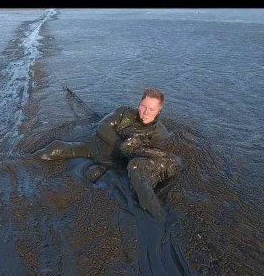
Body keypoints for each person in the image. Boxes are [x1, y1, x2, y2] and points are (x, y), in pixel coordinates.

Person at [32, 87, 181, 219]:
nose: (145, 112)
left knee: (95, 183)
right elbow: (102, 126)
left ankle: (157, 216)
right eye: (143, 106)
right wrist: (120, 144)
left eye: (151, 109)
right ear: (139, 104)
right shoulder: (124, 113)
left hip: (115, 162)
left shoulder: (160, 134)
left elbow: (152, 157)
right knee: (56, 148)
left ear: (159, 111)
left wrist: (130, 152)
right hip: (94, 146)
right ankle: (26, 161)